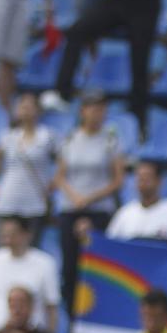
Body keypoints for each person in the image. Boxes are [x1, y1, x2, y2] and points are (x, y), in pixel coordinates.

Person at [52, 0, 163, 133]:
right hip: (114, 0)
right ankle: (62, 94)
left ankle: (138, 122)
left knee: (140, 63)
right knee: (76, 32)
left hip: (144, 5)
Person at [54, 90, 125, 318]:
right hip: (71, 209)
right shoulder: (70, 139)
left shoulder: (110, 140)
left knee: (97, 268)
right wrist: (74, 196)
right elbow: (60, 175)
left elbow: (118, 180)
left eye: (102, 108)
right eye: (93, 108)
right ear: (83, 111)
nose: (98, 113)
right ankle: (72, 316)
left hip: (98, 211)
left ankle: (96, 315)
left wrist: (90, 198)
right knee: (70, 267)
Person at [0, 93, 58, 234]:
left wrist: (53, 184)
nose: (25, 110)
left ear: (38, 110)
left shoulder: (47, 136)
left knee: (32, 245)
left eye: (29, 107)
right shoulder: (7, 136)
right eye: (22, 107)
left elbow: (63, 162)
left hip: (35, 201)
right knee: (6, 242)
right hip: (8, 198)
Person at [106, 162, 167, 245]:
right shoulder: (124, 213)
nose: (143, 183)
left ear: (159, 181)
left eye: (148, 178)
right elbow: (110, 244)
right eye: (140, 179)